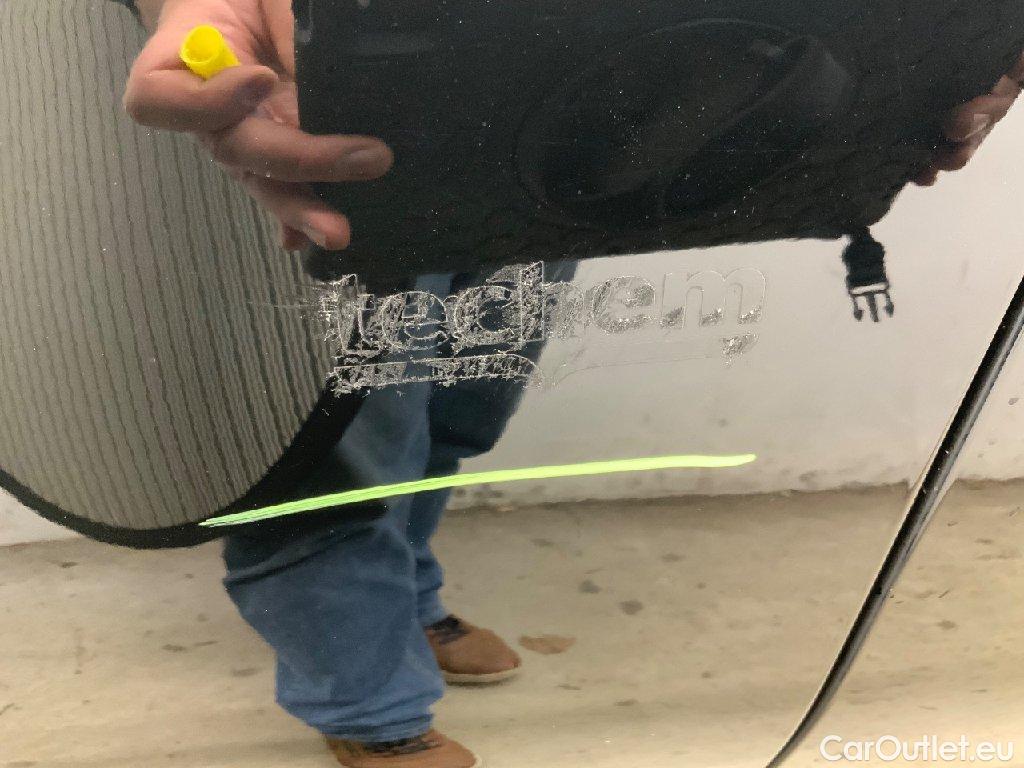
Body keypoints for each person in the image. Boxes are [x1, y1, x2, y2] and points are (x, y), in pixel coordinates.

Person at [120, 1, 1024, 766]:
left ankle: (404, 602)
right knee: (342, 443)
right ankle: (368, 701)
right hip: (338, 88)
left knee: (458, 408)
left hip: (554, 109)